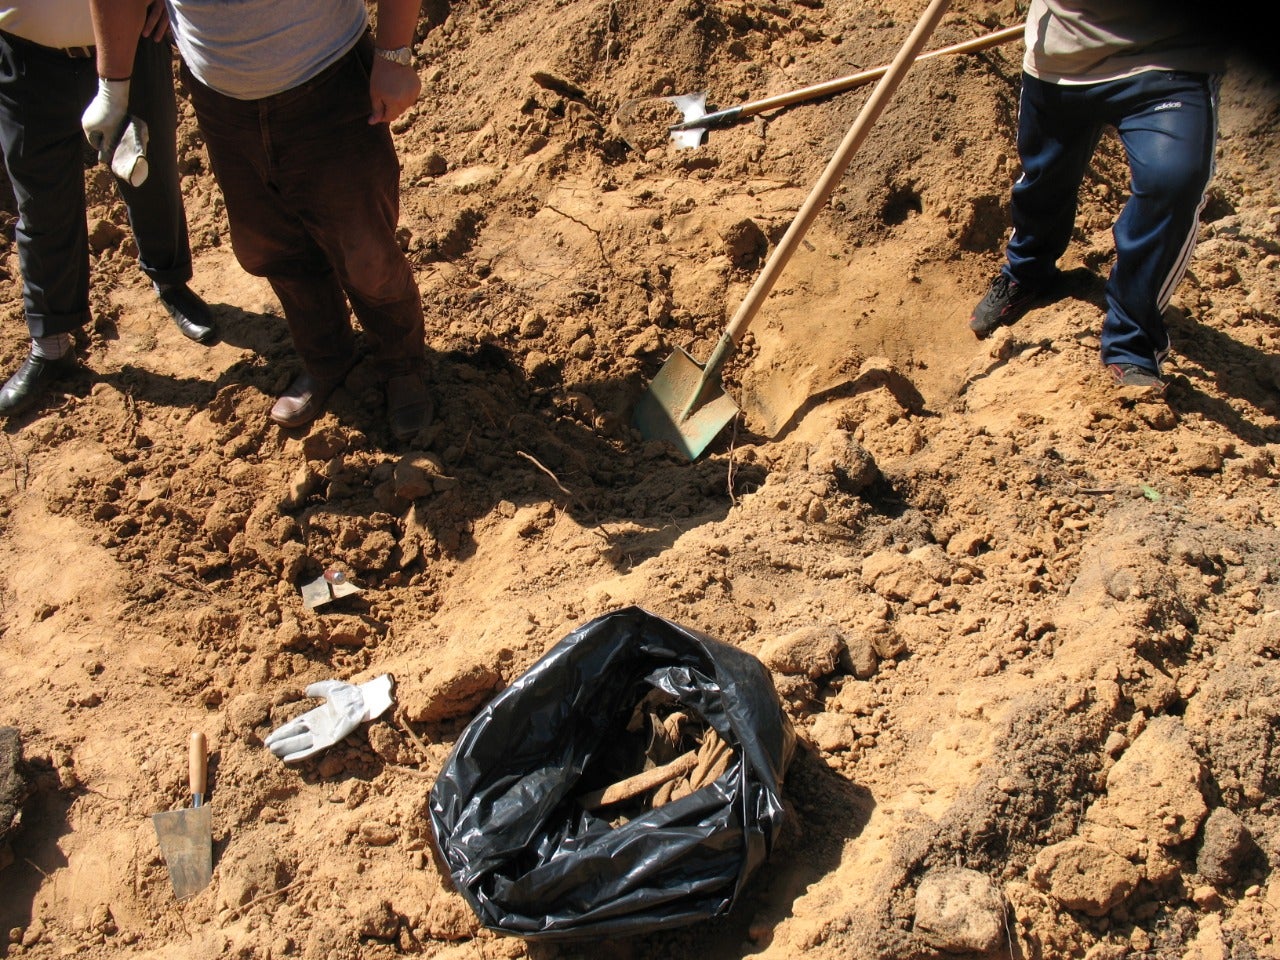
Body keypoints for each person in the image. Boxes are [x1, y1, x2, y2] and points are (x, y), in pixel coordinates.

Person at [84, 0, 432, 440]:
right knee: (268, 245)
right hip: (220, 97)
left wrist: (394, 53)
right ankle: (327, 357)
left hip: (328, 78)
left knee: (366, 252)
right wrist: (112, 87)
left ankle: (401, 365)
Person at [967, 0, 1228, 394]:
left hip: (1170, 58)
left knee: (1173, 183)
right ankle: (1027, 274)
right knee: (1043, 180)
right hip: (1061, 58)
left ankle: (1133, 342)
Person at [0, 0, 216, 418]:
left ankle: (170, 282)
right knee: (39, 201)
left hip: (129, 40)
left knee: (150, 175)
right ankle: (52, 344)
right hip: (24, 56)